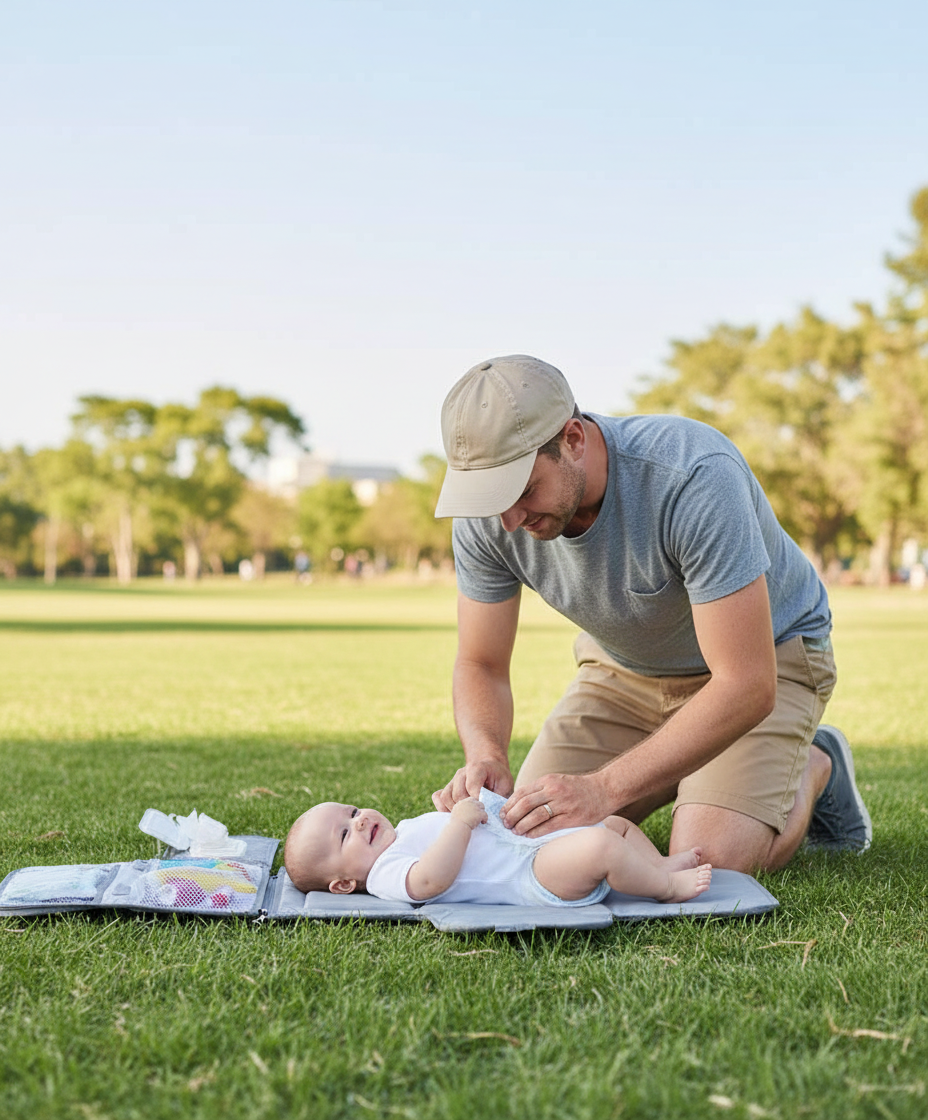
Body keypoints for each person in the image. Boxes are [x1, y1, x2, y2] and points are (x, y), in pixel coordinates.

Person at [431, 355, 872, 873]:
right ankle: (695, 771)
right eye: (490, 498)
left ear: (573, 438)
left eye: (523, 490)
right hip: (624, 672)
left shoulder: (692, 475)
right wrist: (487, 754)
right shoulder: (491, 518)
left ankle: (816, 765)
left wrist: (603, 789)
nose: (508, 520)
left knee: (711, 861)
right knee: (531, 839)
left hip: (766, 660)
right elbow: (480, 662)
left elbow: (747, 683)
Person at [283, 789, 713, 906]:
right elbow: (431, 880)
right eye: (344, 835)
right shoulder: (383, 876)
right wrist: (461, 824)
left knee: (614, 824)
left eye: (352, 810)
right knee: (600, 844)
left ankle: (659, 863)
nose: (358, 821)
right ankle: (665, 888)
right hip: (531, 875)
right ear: (342, 884)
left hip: (530, 848)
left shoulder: (407, 830)